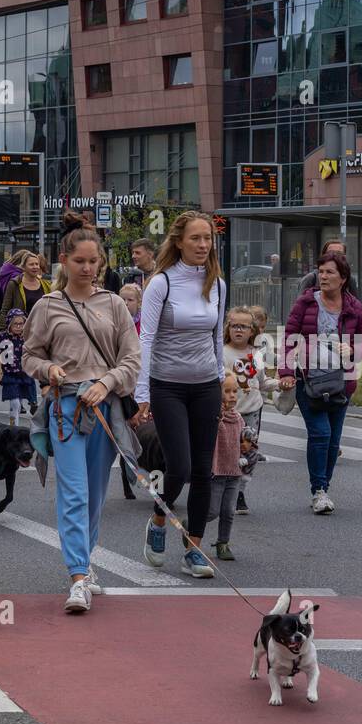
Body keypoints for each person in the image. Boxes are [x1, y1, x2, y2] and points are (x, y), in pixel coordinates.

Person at [23, 225, 140, 613]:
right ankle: (77, 577)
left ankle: (85, 563)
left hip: (105, 408)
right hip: (66, 407)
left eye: (94, 261)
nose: (88, 268)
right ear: (64, 262)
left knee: (94, 492)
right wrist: (48, 370)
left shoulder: (114, 304)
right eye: (80, 261)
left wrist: (107, 383)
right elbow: (30, 355)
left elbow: (132, 359)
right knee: (72, 490)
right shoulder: (48, 305)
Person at [133, 211, 227, 579]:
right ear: (179, 242)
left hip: (206, 386)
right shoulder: (161, 283)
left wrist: (220, 380)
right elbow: (147, 339)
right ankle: (159, 518)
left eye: (208, 239)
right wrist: (142, 392)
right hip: (167, 385)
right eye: (196, 239)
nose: (203, 245)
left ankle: (194, 549)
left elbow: (217, 336)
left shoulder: (217, 283)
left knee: (205, 471)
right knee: (180, 467)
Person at [278, 251, 362, 514]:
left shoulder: (354, 307)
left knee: (333, 441)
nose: (323, 276)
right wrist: (286, 371)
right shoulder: (306, 303)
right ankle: (318, 490)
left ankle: (324, 488)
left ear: (343, 278)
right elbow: (289, 335)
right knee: (320, 433)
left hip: (340, 382)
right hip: (309, 380)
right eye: (320, 271)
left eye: (329, 272)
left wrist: (353, 351)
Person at [223, 306, 268, 514]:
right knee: (228, 452)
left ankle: (240, 492)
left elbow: (262, 381)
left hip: (252, 411)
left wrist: (281, 385)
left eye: (244, 326)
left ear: (253, 331)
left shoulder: (256, 354)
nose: (238, 330)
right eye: (234, 326)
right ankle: (224, 487)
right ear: (228, 328)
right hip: (228, 413)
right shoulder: (222, 352)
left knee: (248, 452)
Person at [206, 372, 246, 561]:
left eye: (235, 391)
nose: (232, 395)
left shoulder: (239, 419)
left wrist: (249, 445)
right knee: (213, 511)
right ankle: (192, 525)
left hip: (235, 472)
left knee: (229, 511)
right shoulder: (216, 417)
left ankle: (223, 543)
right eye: (227, 391)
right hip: (217, 471)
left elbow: (244, 441)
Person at [0, 308, 38, 423]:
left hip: (24, 373)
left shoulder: (27, 337)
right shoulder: (3, 338)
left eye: (21, 324)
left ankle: (33, 403)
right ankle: (14, 426)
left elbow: (36, 351)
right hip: (10, 375)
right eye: (15, 324)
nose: (18, 327)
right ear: (9, 324)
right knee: (15, 402)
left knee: (22, 398)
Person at [0, 250, 51, 318]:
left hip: (41, 326)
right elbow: (5, 310)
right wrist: (3, 328)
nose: (35, 267)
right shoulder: (14, 284)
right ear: (24, 267)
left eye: (37, 264)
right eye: (31, 264)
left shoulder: (46, 284)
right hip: (21, 326)